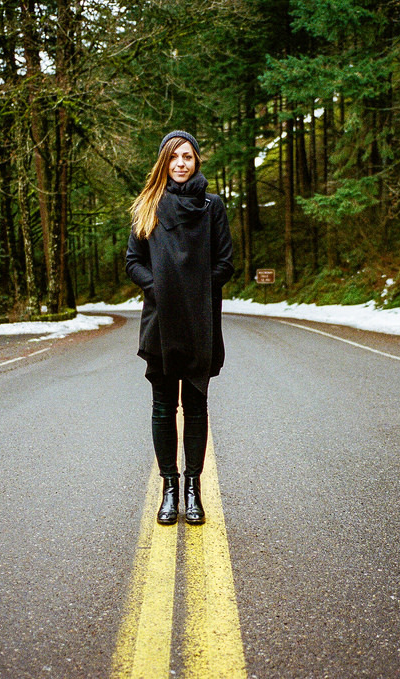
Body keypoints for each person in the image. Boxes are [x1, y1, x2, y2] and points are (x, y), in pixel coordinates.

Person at [125, 130, 234, 525]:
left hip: (200, 321)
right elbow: (133, 261)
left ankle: (193, 490)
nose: (181, 163)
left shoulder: (212, 206)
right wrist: (159, 288)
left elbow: (226, 263)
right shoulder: (148, 205)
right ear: (164, 162)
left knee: (196, 406)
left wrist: (196, 290)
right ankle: (169, 488)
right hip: (161, 321)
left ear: (196, 160)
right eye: (174, 157)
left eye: (187, 156)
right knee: (163, 407)